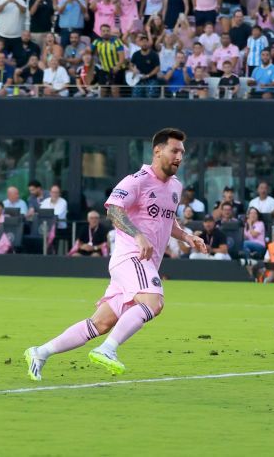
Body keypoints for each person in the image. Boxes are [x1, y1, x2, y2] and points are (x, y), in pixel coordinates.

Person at [24, 129, 207, 380]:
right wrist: (138, 235)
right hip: (130, 257)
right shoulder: (137, 180)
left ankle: (40, 352)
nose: (179, 157)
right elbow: (113, 210)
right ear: (157, 151)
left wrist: (187, 236)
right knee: (154, 301)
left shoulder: (175, 186)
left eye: (182, 153)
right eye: (174, 151)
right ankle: (108, 350)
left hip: (142, 264)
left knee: (100, 323)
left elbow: (168, 220)